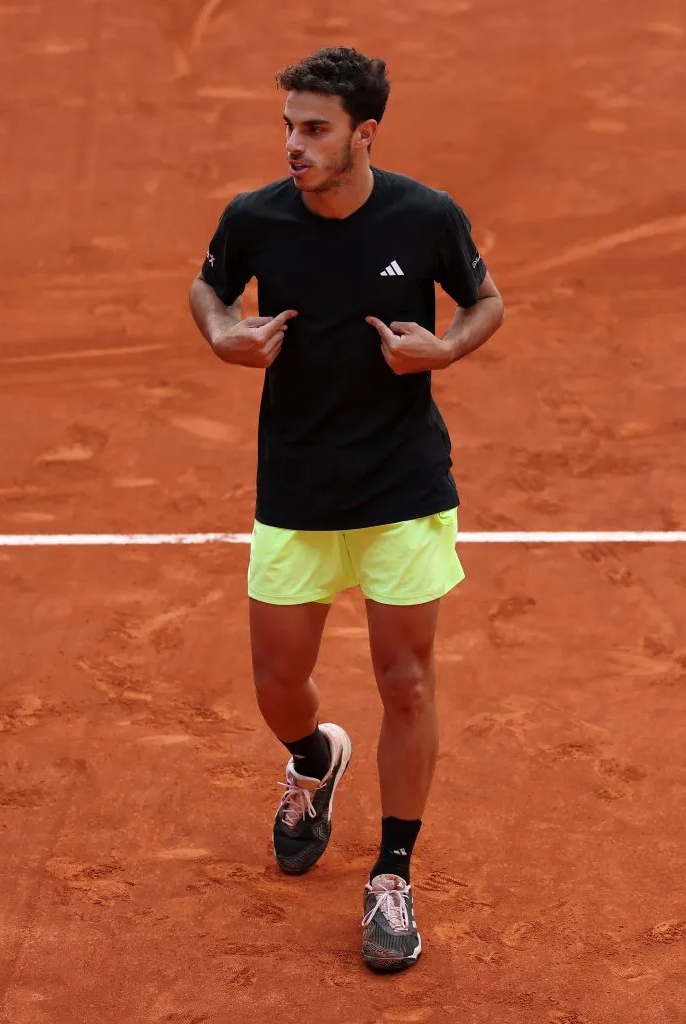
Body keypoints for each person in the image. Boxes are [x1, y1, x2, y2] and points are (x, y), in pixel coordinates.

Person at [189, 46, 505, 972]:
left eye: (314, 129)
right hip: (295, 486)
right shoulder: (256, 219)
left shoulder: (424, 215)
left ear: (363, 134)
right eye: (289, 125)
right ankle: (313, 759)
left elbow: (485, 300)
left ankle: (391, 875)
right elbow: (208, 285)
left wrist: (443, 351)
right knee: (276, 686)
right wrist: (222, 333)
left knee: (405, 682)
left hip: (402, 485)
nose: (294, 143)